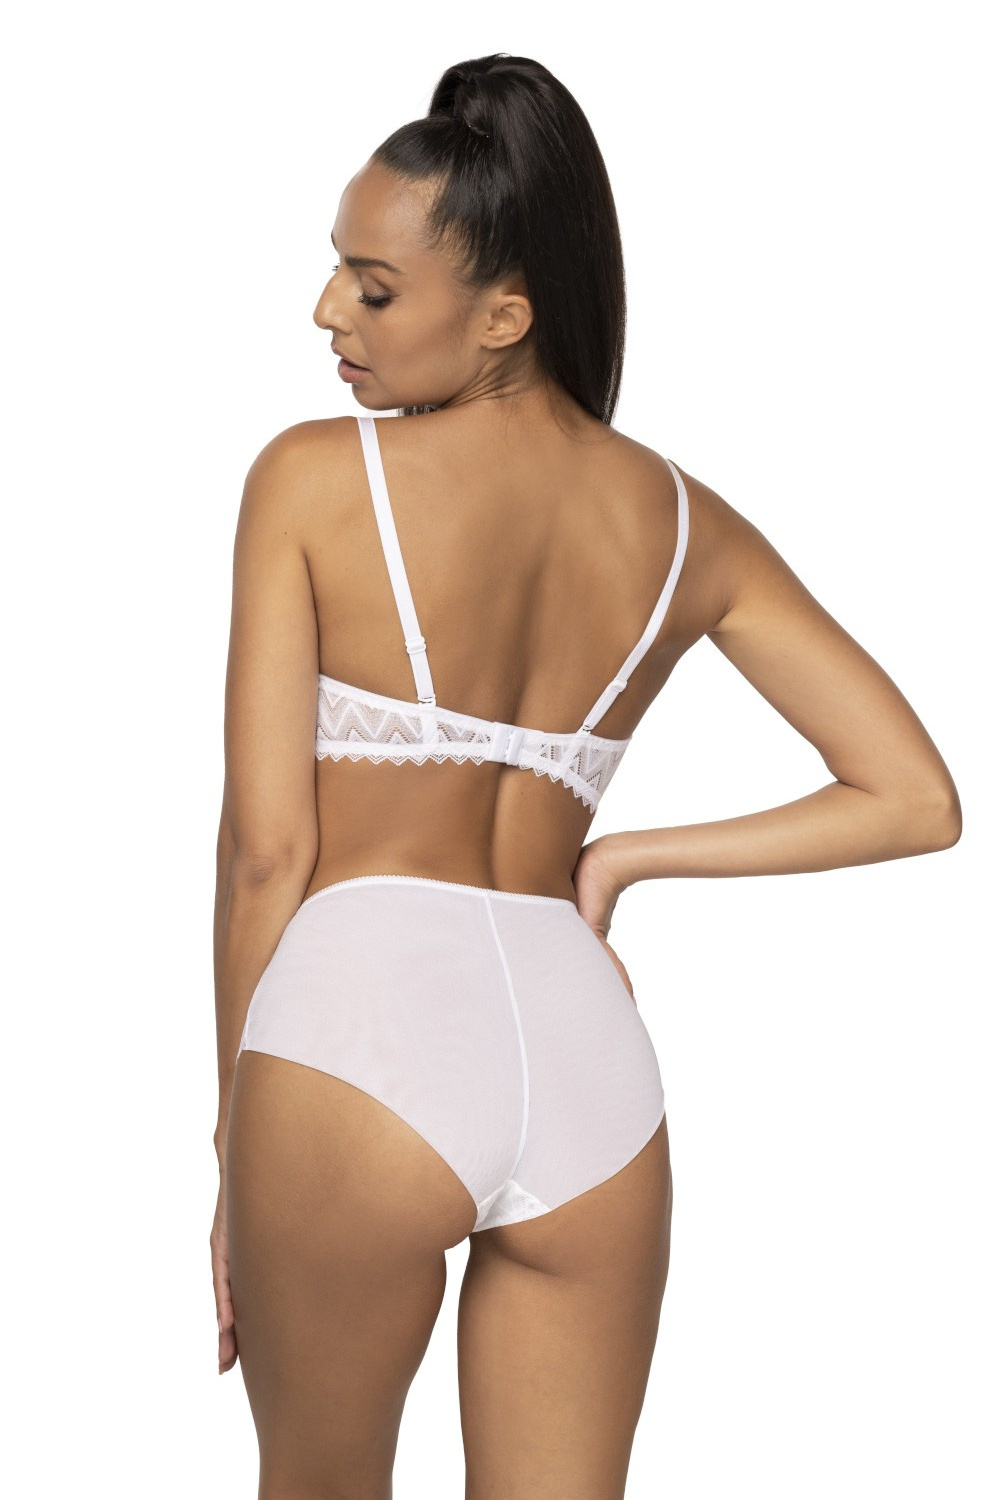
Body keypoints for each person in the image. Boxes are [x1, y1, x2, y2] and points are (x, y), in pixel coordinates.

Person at [210, 51, 961, 1499]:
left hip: (352, 1038)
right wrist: (619, 857)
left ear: (505, 315)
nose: (327, 312)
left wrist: (233, 1143)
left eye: (374, 288)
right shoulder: (683, 522)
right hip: (587, 1069)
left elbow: (265, 855)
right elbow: (914, 797)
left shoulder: (309, 477)